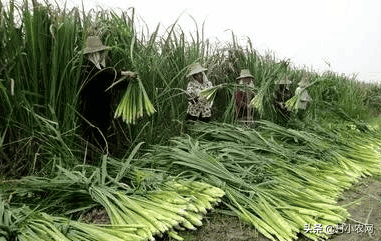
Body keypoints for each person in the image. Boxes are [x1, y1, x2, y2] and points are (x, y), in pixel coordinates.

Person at [79, 35, 137, 157]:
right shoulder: (87, 68)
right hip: (92, 112)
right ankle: (93, 162)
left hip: (103, 112)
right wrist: (123, 72)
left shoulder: (99, 68)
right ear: (93, 54)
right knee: (94, 138)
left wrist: (128, 82)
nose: (101, 55)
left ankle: (101, 161)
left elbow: (111, 84)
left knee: (101, 137)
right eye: (100, 53)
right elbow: (103, 75)